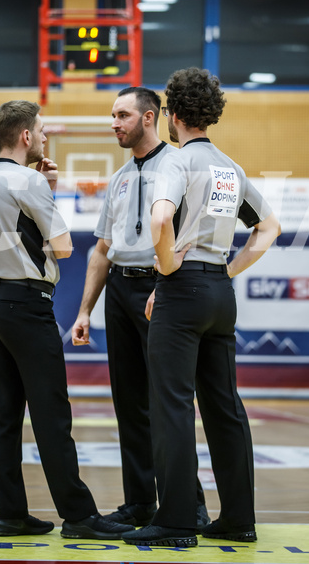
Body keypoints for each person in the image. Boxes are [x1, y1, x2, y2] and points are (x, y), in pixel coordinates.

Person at [123, 67, 281, 548]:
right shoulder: (229, 167)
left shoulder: (176, 161)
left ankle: (174, 522)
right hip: (219, 293)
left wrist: (168, 265)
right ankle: (238, 518)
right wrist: (226, 273)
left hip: (182, 292)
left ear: (171, 115)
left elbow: (161, 216)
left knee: (171, 406)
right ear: (211, 114)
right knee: (225, 408)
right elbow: (269, 228)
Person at [0, 100, 134, 540]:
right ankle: (79, 516)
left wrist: (40, 189)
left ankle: (9, 513)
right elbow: (61, 247)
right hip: (25, 306)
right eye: (41, 130)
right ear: (25, 136)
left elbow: (10, 231)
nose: (45, 137)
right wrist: (47, 191)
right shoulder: (28, 180)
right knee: (52, 415)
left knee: (3, 415)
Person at [72, 87, 209, 530]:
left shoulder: (179, 164)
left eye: (122, 115)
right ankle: (139, 503)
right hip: (120, 291)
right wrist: (84, 311)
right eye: (113, 115)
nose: (114, 123)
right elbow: (101, 250)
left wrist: (166, 282)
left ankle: (189, 504)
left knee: (168, 402)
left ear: (149, 117)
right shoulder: (119, 177)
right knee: (129, 402)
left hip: (161, 288)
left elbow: (188, 236)